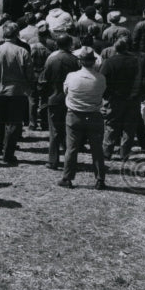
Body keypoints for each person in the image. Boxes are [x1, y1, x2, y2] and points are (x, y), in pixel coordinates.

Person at [0, 22, 32, 166]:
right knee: (14, 123)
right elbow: (30, 74)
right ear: (17, 35)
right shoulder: (23, 52)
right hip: (16, 92)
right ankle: (8, 154)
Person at [58, 45, 107, 189]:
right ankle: (100, 179)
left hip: (74, 114)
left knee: (71, 148)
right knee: (97, 149)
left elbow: (66, 90)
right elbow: (102, 93)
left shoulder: (71, 76)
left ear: (80, 61)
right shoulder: (101, 78)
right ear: (94, 62)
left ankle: (67, 178)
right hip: (94, 115)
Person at [100, 37, 145, 161]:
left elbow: (102, 80)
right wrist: (143, 92)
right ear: (127, 48)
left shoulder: (109, 62)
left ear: (115, 48)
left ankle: (106, 152)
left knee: (111, 125)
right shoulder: (138, 61)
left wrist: (106, 95)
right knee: (129, 127)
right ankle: (125, 153)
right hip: (133, 98)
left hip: (115, 98)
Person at [40, 33, 80, 171]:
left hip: (54, 98)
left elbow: (43, 81)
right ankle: (70, 159)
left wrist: (44, 97)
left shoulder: (51, 59)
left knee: (55, 131)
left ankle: (53, 160)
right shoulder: (75, 60)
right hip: (71, 99)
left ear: (57, 44)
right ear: (70, 44)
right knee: (70, 131)